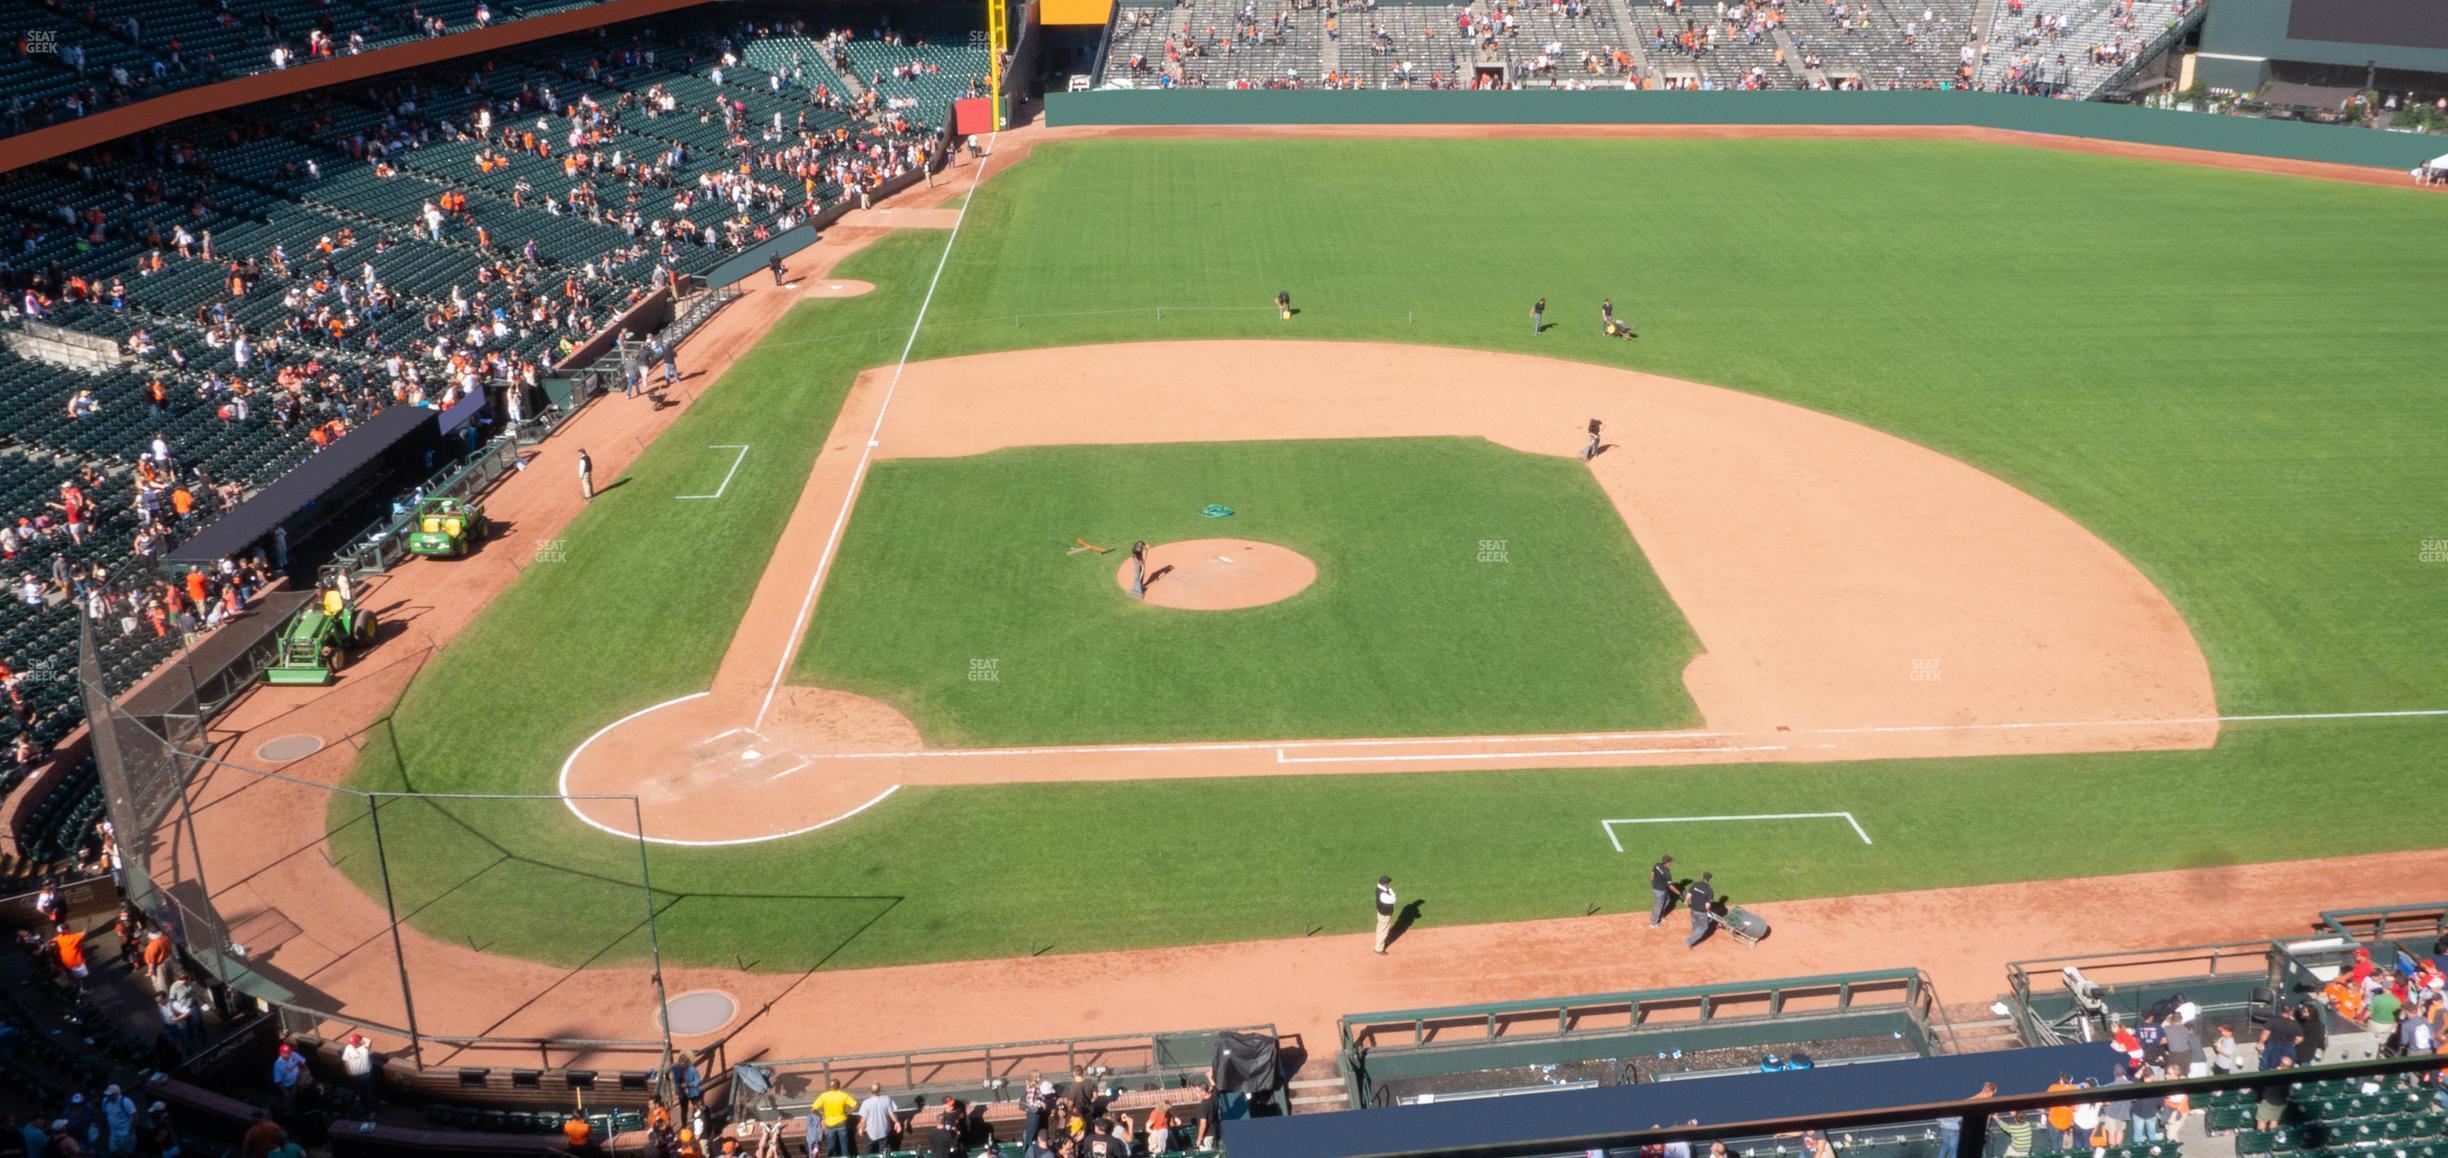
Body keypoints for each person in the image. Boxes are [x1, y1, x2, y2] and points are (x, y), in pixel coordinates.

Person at [811, 1080, 856, 1156]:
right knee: (844, 1144)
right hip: (842, 1121)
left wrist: (821, 1115)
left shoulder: (824, 1096)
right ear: (839, 1085)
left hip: (829, 1123)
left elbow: (813, 1109)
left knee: (831, 1145)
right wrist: (847, 1113)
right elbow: (855, 1106)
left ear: (830, 1086)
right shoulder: (843, 1095)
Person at [856, 1084, 897, 1155]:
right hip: (884, 1130)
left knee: (867, 1151)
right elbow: (892, 1114)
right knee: (883, 1152)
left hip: (870, 1132)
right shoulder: (887, 1099)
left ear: (870, 1091)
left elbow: (863, 1120)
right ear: (880, 1089)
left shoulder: (866, 1103)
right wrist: (897, 1122)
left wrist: (860, 1127)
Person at [341, 1033, 377, 1109]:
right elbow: (345, 1060)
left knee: (370, 1094)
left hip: (367, 1076)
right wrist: (347, 1071)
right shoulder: (348, 1048)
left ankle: (371, 1109)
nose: (353, 1045)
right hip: (355, 1077)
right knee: (359, 1094)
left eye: (354, 1043)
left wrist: (360, 1037)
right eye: (352, 1043)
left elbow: (369, 1040)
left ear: (359, 1042)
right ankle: (362, 1108)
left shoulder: (365, 1048)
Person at [1683, 872, 1716, 949]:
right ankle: (1690, 941)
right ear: (1710, 880)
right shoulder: (1709, 890)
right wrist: (1707, 911)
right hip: (1701, 912)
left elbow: (1688, 895)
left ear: (1702, 877)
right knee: (1704, 926)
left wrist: (1686, 901)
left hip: (1693, 909)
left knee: (1695, 923)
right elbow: (1707, 905)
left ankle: (1694, 936)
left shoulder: (1695, 884)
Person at [1648, 854, 1676, 927]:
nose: (1671, 863)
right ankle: (1653, 923)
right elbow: (1671, 886)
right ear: (1668, 863)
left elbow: (1652, 872)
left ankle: (1661, 914)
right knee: (1658, 906)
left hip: (1656, 887)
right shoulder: (1667, 873)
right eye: (1671, 862)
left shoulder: (1658, 865)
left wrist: (1652, 880)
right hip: (1660, 891)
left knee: (1667, 900)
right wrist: (1679, 893)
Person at [1373, 875, 1397, 955]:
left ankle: (1379, 945)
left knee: (1381, 928)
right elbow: (1393, 900)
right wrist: (1391, 892)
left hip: (1381, 912)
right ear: (1385, 884)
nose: (1389, 884)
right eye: (1388, 883)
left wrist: (1389, 890)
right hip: (1385, 914)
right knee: (1383, 930)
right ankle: (1379, 949)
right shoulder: (1383, 894)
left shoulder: (1380, 888)